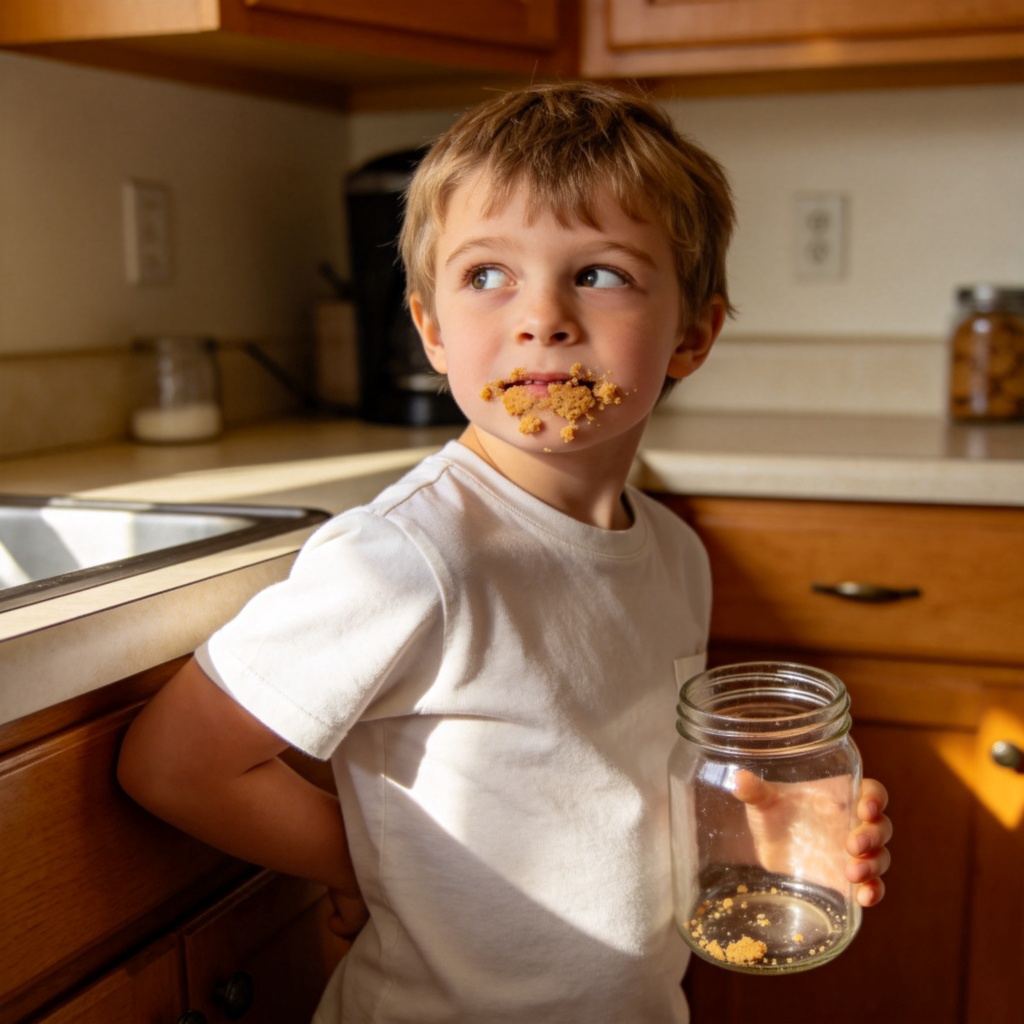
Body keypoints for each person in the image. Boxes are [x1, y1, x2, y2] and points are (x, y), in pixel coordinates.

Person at [118, 82, 891, 1023]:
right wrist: (381, 865)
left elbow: (600, 791)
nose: (542, 318)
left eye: (600, 273)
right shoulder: (408, 555)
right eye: (488, 275)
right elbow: (173, 765)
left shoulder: (676, 553)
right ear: (433, 331)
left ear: (693, 334)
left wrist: (742, 830)